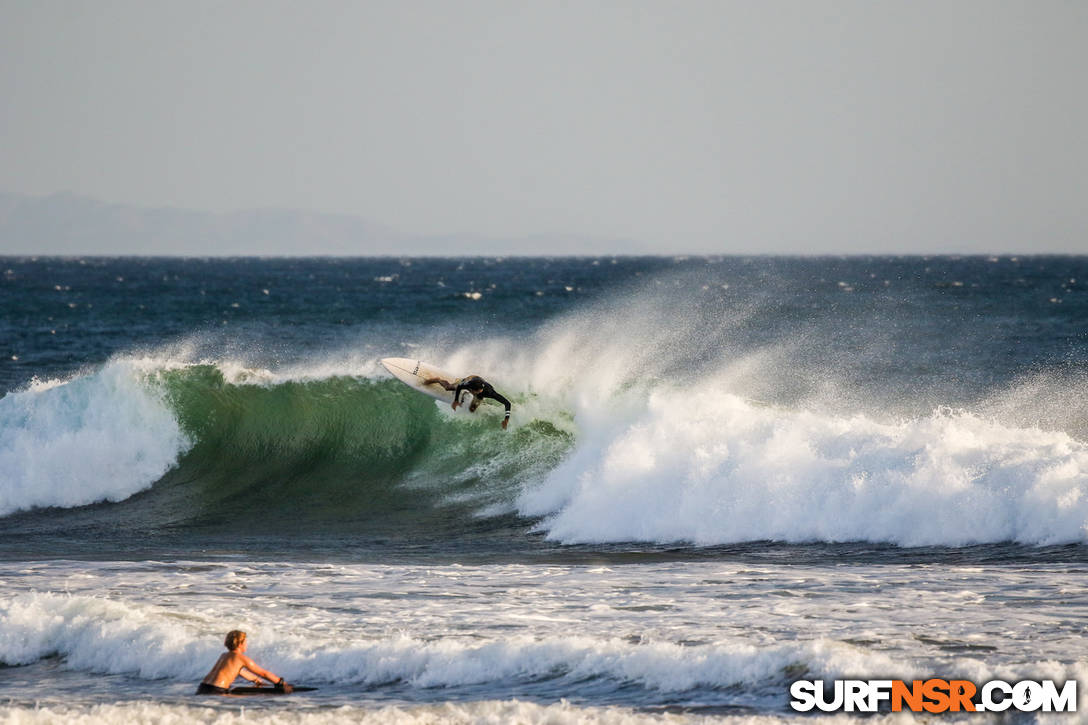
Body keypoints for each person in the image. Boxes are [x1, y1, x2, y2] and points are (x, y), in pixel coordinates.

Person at [196, 630, 293, 695]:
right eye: (245, 642)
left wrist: (256, 680)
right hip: (216, 691)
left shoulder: (224, 655)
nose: (247, 644)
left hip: (203, 687)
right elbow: (263, 673)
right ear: (240, 644)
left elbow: (239, 671)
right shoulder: (241, 658)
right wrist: (281, 683)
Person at [422, 374, 512, 429]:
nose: (477, 392)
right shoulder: (467, 384)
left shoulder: (490, 393)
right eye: (474, 391)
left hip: (479, 383)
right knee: (448, 388)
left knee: (472, 409)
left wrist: (506, 419)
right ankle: (438, 379)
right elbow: (460, 387)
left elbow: (507, 403)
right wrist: (456, 400)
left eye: (479, 391)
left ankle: (466, 395)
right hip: (471, 378)